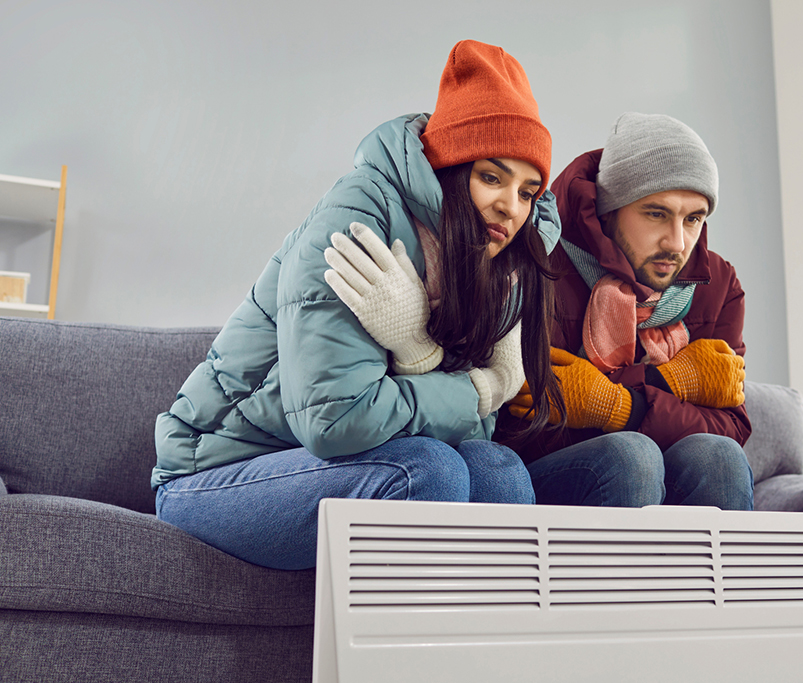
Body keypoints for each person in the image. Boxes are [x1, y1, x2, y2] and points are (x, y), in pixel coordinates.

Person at [152, 40, 563, 570]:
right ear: (451, 168)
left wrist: (418, 351)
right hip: (214, 475)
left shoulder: (487, 263)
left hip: (322, 466)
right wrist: (479, 387)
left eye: (528, 192)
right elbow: (337, 421)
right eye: (491, 177)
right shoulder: (357, 218)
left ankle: (484, 654)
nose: (511, 207)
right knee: (430, 473)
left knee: (497, 469)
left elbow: (474, 429)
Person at [503, 112, 753, 510]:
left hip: (659, 456)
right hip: (553, 473)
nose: (677, 242)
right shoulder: (540, 261)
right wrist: (671, 383)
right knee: (631, 456)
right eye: (656, 214)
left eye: (693, 219)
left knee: (717, 458)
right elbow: (519, 420)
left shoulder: (717, 283)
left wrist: (623, 407)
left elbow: (732, 427)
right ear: (608, 210)